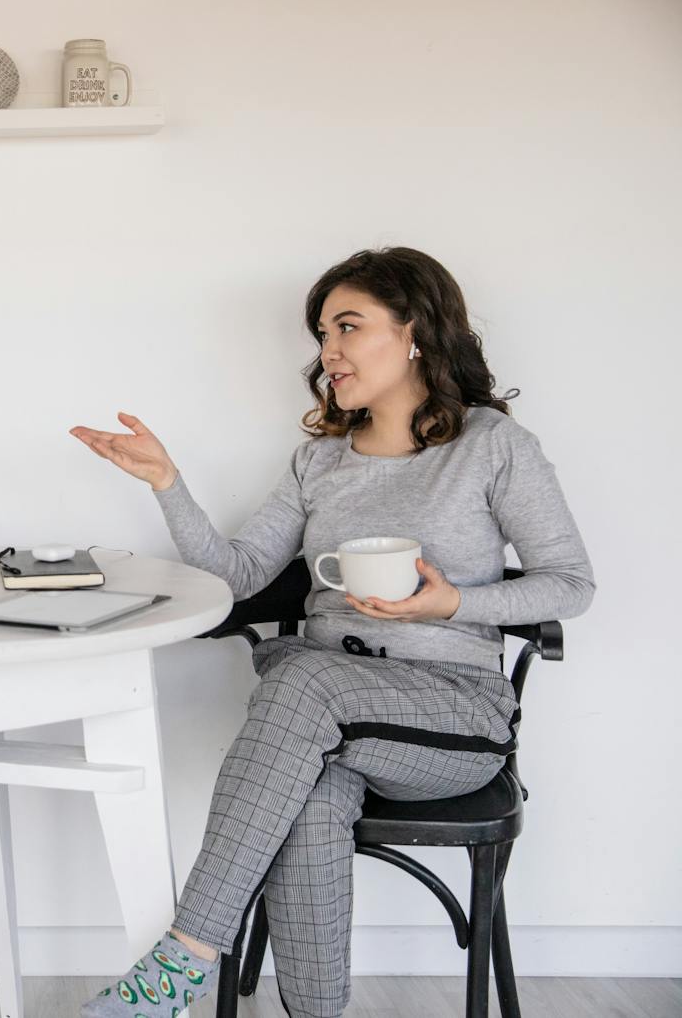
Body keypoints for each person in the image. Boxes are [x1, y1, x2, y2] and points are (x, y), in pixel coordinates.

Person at [69, 247, 594, 1018]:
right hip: (321, 720)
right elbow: (239, 577)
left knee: (301, 676)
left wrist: (452, 606)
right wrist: (167, 485)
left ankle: (182, 962)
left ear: (416, 331)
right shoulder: (319, 461)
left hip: (449, 715)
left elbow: (572, 584)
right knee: (309, 797)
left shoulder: (492, 446)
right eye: (322, 333)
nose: (329, 351)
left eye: (349, 326)